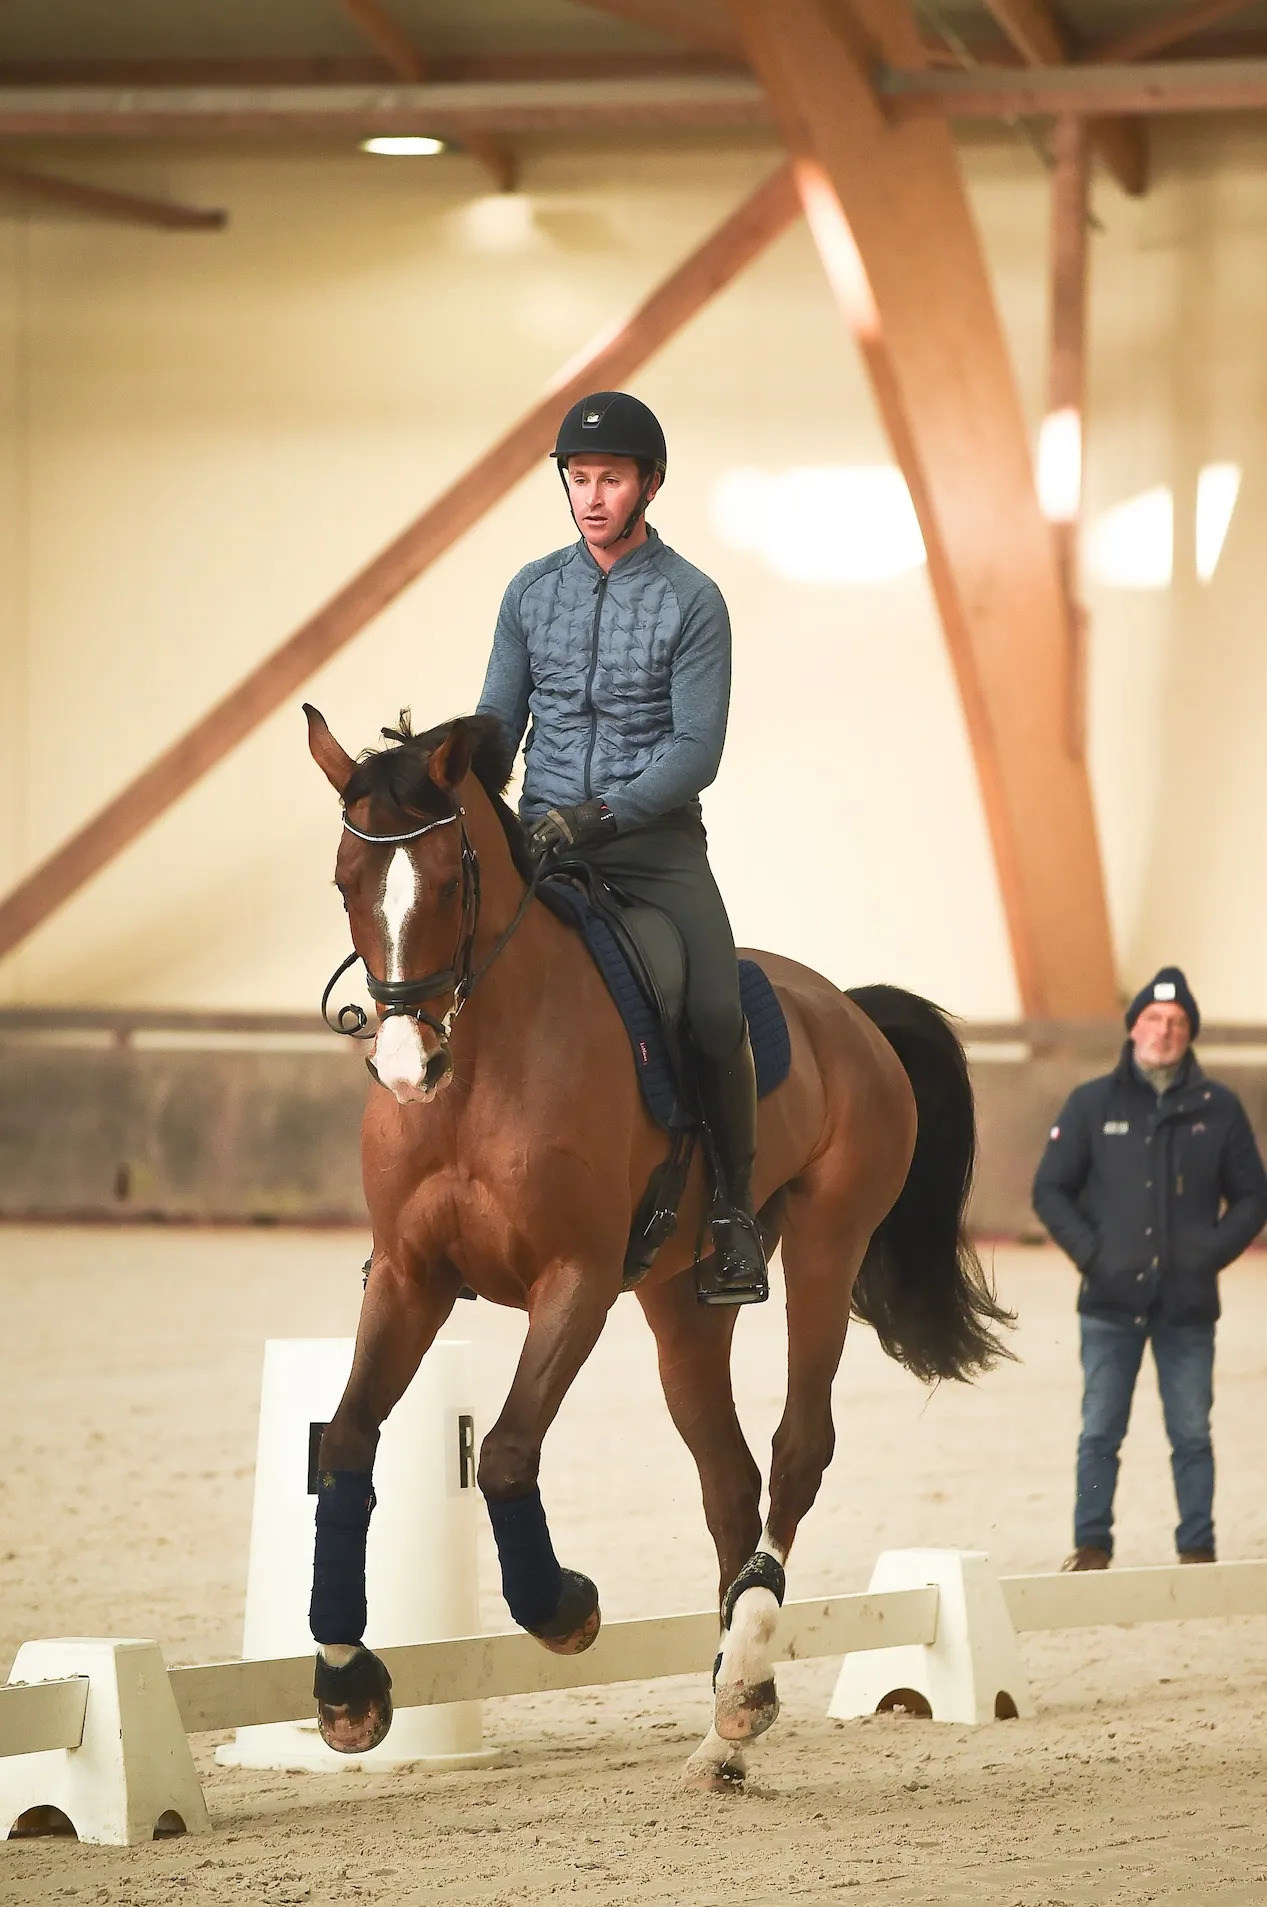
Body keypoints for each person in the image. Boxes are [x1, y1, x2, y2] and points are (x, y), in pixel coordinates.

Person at [476, 389, 767, 1304]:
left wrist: (602, 815)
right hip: (541, 838)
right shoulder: (530, 592)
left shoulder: (692, 599)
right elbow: (496, 724)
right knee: (454, 971)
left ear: (649, 484)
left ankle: (733, 1213)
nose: (591, 496)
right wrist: (448, 780)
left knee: (713, 1008)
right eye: (578, 478)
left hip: (652, 848)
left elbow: (696, 749)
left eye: (609, 478)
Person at [1033, 966, 1267, 1571]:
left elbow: (1253, 1197)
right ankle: (1091, 1543)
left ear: (1190, 1034)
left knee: (1191, 1433)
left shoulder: (1219, 1108)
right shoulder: (1091, 1104)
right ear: (1134, 1027)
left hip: (1188, 1307)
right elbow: (1050, 1190)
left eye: (1177, 1022)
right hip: (1109, 1303)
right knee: (1099, 1431)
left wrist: (1208, 1255)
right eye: (1154, 1019)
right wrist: (1093, 1255)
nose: (1164, 1030)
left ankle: (1197, 1547)